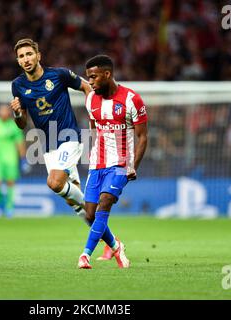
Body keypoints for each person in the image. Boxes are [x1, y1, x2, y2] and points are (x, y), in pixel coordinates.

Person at [10, 38, 93, 221]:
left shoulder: (59, 75)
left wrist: (93, 116)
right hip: (48, 146)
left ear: (38, 56)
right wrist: (17, 113)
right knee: (74, 203)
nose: (26, 59)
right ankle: (113, 244)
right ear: (18, 61)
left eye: (29, 54)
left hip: (69, 137)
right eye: (21, 56)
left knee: (55, 183)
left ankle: (93, 207)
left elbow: (87, 87)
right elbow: (22, 124)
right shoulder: (18, 85)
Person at [77, 55, 148, 269]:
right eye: (88, 77)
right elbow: (93, 128)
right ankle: (116, 246)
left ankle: (85, 255)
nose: (90, 82)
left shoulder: (131, 99)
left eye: (93, 77)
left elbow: (143, 137)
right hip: (98, 163)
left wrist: (132, 165)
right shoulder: (90, 100)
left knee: (105, 200)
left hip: (121, 163)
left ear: (107, 74)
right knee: (89, 214)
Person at [0, 104, 29, 217]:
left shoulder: (14, 125)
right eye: (1, 111)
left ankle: (9, 208)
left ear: (9, 113)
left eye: (5, 111)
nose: (3, 113)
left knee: (10, 183)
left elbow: (20, 143)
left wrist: (23, 159)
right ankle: (2, 205)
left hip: (11, 159)